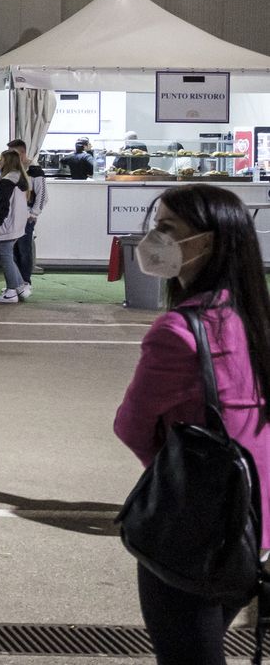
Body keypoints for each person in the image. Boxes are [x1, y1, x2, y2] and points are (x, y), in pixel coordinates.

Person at [114, 184, 270, 665]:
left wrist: (179, 472)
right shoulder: (256, 320)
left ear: (208, 242)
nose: (153, 239)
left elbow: (132, 426)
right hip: (255, 531)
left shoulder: (178, 332)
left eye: (167, 229)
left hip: (195, 536)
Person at [0, 149, 31, 304]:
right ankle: (19, 287)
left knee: (4, 256)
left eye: (2, 160)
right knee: (6, 256)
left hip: (7, 224)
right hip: (17, 224)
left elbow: (3, 205)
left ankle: (12, 291)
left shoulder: (8, 180)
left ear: (8, 161)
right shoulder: (19, 178)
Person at [8, 139, 47, 298]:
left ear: (22, 153)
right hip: (12, 216)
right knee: (13, 250)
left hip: (27, 217)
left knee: (24, 249)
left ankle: (25, 282)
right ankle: (15, 284)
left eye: (13, 153)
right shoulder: (13, 170)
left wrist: (34, 213)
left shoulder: (35, 170)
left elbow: (43, 195)